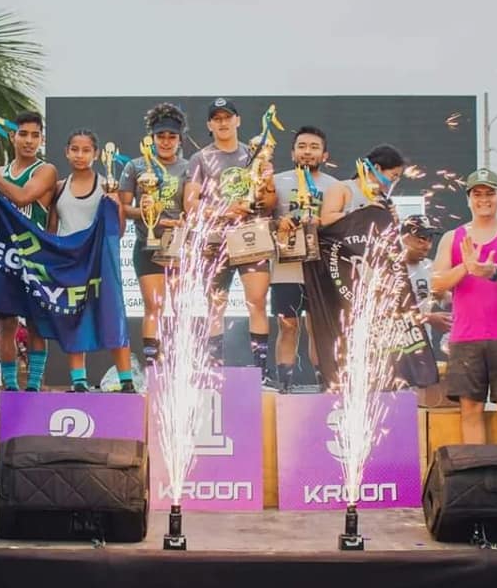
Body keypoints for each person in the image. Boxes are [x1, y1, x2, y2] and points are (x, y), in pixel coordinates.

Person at [432, 168, 497, 445]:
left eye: (490, 193)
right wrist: (465, 268)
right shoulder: (453, 238)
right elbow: (437, 284)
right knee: (470, 409)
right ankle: (477, 469)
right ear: (468, 199)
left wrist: (493, 273)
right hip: (466, 337)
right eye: (477, 194)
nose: (484, 200)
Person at [185, 98, 277, 385]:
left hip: (251, 237)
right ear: (209, 124)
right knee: (215, 304)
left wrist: (265, 188)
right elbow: (190, 204)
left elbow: (270, 202)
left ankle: (261, 372)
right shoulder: (200, 159)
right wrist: (225, 210)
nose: (223, 122)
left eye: (228, 117)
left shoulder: (255, 154)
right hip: (215, 239)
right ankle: (215, 368)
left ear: (238, 120)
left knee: (257, 301)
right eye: (217, 118)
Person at [0, 111, 57, 392]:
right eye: (23, 134)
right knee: (5, 324)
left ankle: (33, 387)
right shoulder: (0, 172)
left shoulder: (45, 171)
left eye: (35, 135)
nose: (29, 141)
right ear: (13, 137)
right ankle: (10, 386)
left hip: (35, 257)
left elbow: (22, 197)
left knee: (36, 325)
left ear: (42, 139)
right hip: (5, 255)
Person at [44, 129, 134, 392]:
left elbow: (119, 230)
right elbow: (52, 230)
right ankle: (79, 381)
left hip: (99, 263)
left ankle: (127, 380)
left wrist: (116, 204)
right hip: (69, 264)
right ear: (66, 152)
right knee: (74, 319)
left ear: (96, 154)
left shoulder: (107, 186)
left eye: (86, 150)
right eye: (75, 149)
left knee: (112, 314)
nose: (80, 155)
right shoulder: (60, 187)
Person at [119, 103, 191, 364]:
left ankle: (181, 360)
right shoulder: (135, 166)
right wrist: (147, 214)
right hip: (146, 244)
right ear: (152, 137)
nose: (166, 141)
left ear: (180, 139)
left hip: (179, 244)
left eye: (172, 136)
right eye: (161, 136)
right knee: (153, 306)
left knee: (181, 307)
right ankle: (153, 363)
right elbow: (124, 208)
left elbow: (192, 205)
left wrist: (183, 220)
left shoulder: (188, 167)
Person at [270, 126, 338, 391]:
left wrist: (324, 221)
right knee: (287, 325)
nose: (307, 152)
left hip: (322, 267)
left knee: (318, 327)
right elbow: (262, 218)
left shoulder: (336, 186)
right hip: (286, 267)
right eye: (302, 146)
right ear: (292, 153)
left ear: (325, 154)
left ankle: (324, 382)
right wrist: (279, 223)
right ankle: (284, 385)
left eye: (314, 147)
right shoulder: (276, 182)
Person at [400, 215, 451, 356]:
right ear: (405, 238)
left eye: (430, 239)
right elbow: (384, 314)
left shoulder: (429, 267)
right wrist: (427, 318)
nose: (427, 246)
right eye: (421, 239)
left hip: (423, 352)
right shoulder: (389, 269)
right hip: (394, 353)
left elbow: (444, 296)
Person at [319, 144, 404, 226]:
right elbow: (325, 220)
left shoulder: (384, 200)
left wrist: (394, 221)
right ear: (377, 168)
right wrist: (360, 211)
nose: (395, 180)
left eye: (398, 177)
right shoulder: (342, 188)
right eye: (394, 175)